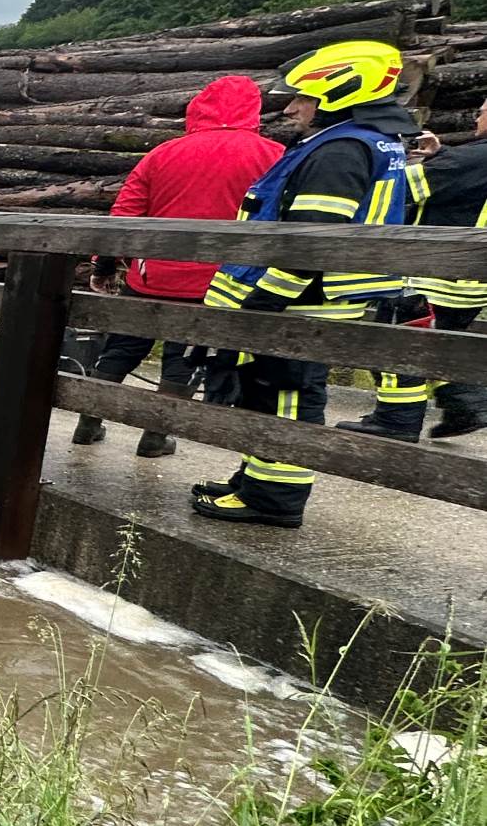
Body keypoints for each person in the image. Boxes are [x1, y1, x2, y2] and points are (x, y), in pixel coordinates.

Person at [191, 40, 415, 528]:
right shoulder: (368, 142)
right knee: (263, 391)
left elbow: (311, 241)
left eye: (303, 98)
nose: (291, 107)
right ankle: (256, 477)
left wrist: (266, 300)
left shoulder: (340, 150)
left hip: (300, 305)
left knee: (286, 398)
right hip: (309, 300)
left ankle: (273, 500)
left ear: (338, 95)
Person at [72, 74, 280, 456]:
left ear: (198, 107)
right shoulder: (274, 155)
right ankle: (155, 436)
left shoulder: (162, 153)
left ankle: (88, 424)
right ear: (254, 110)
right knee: (182, 360)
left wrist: (104, 265)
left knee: (120, 350)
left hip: (150, 277)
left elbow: (126, 215)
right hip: (217, 282)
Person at [341, 97, 487, 441]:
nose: (476, 117)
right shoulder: (473, 158)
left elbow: (404, 187)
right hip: (469, 276)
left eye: (481, 111)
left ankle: (396, 421)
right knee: (438, 344)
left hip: (436, 273)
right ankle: (467, 404)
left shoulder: (477, 157)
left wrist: (392, 160)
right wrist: (443, 154)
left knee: (397, 343)